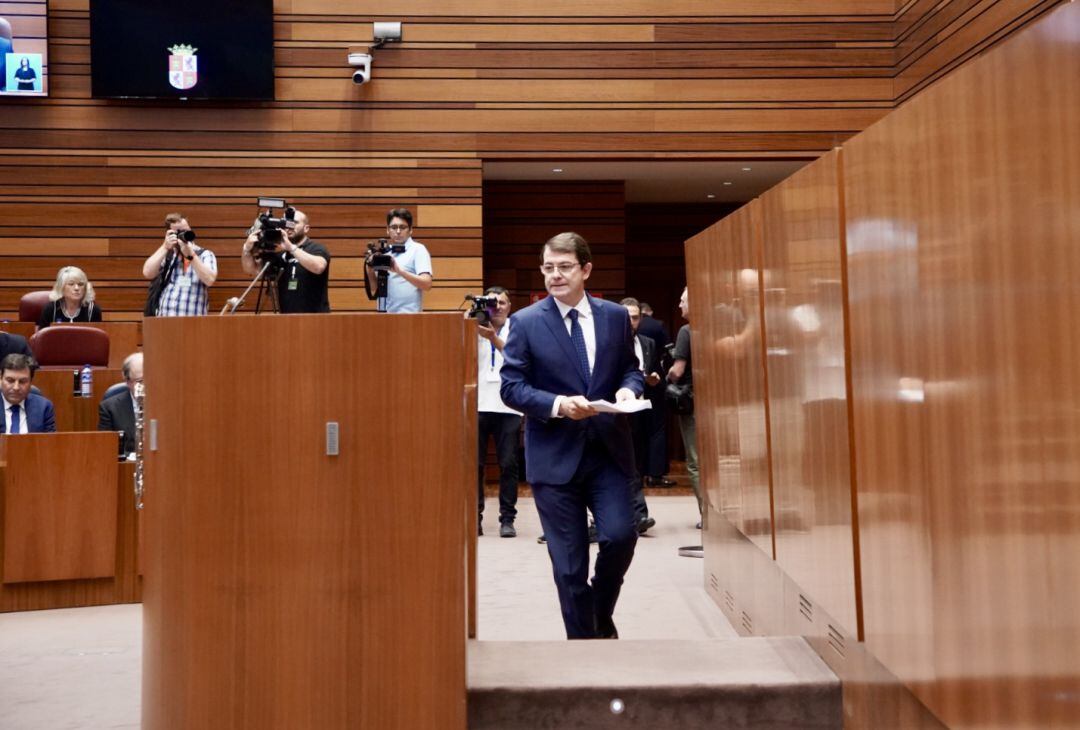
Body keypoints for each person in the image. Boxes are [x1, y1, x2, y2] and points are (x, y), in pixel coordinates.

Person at [500, 232, 643, 640]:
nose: (555, 276)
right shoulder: (525, 323)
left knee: (620, 536)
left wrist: (629, 389)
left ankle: (598, 612)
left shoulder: (615, 316)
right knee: (568, 568)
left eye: (564, 267)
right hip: (554, 456)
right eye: (548, 268)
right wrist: (559, 404)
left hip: (608, 453)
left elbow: (630, 368)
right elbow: (512, 387)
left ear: (586, 270)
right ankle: (583, 649)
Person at [474, 287, 523, 538]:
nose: (498, 307)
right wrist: (469, 321)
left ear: (510, 305)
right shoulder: (475, 326)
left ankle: (507, 518)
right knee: (476, 465)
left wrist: (493, 338)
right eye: (493, 303)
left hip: (509, 406)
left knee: (509, 464)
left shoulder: (518, 328)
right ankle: (475, 518)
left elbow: (517, 359)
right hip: (479, 404)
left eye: (502, 302)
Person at [620, 297, 660, 534]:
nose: (631, 322)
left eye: (635, 317)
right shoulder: (608, 343)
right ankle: (639, 514)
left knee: (637, 463)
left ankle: (637, 515)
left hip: (641, 410)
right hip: (616, 411)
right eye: (627, 317)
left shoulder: (648, 343)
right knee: (625, 464)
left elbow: (655, 371)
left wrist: (653, 379)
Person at [242, 208, 330, 313]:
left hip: (316, 318)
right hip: (287, 321)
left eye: (294, 223)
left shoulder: (316, 249)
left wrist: (291, 248)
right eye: (286, 222)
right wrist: (246, 249)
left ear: (306, 228)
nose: (289, 226)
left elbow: (318, 267)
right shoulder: (281, 255)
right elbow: (252, 270)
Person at [667, 286, 701, 526]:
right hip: (719, 403)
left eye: (683, 300)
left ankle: (707, 515)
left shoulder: (686, 331)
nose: (680, 305)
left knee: (696, 462)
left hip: (694, 401)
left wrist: (668, 376)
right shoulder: (721, 327)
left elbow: (678, 371)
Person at [142, 212, 217, 316]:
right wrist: (165, 247)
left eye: (186, 231)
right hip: (164, 322)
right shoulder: (168, 255)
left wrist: (191, 256)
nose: (184, 235)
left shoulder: (204, 255)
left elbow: (210, 280)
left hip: (192, 324)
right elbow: (147, 273)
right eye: (179, 232)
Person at [636, 301, 674, 486]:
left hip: (649, 386)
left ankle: (641, 474)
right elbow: (669, 352)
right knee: (655, 430)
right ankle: (655, 474)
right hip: (651, 387)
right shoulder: (657, 326)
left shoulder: (645, 339)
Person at [366, 208, 432, 313]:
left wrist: (400, 271)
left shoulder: (418, 250)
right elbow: (374, 288)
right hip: (385, 316)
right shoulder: (384, 253)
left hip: (409, 317)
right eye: (393, 227)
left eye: (402, 227)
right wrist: (369, 268)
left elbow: (427, 284)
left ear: (410, 230)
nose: (397, 231)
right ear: (387, 230)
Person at [98, 352, 143, 456]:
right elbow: (106, 447)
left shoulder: (166, 405)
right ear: (127, 381)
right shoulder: (109, 408)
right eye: (139, 381)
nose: (144, 385)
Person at [1, 353, 55, 434]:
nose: (16, 387)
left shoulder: (44, 407)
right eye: (10, 380)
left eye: (22, 381)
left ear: (30, 382)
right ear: (0, 378)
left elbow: (50, 443)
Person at [37, 266, 103, 328]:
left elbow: (97, 338)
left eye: (80, 284)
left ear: (85, 288)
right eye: (71, 284)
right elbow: (42, 337)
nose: (77, 288)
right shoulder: (51, 309)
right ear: (61, 287)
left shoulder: (92, 310)